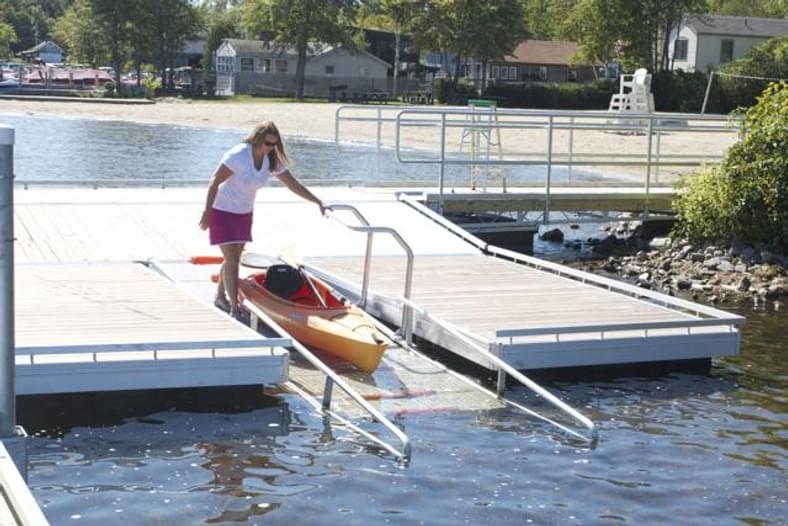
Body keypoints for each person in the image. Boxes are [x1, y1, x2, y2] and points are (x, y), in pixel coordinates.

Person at [199, 121, 324, 318]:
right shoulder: (239, 155)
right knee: (232, 259)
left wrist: (317, 201)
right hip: (222, 210)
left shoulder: (271, 159)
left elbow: (292, 184)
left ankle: (220, 296)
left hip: (244, 212)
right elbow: (214, 181)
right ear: (257, 139)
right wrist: (206, 213)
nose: (270, 147)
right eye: (267, 143)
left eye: (274, 144)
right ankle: (234, 307)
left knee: (234, 258)